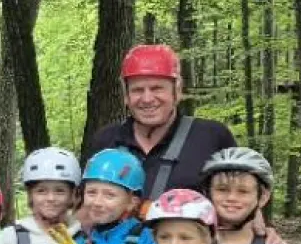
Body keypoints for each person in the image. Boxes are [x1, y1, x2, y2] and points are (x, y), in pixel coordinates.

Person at [86, 44, 239, 201]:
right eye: (137, 90)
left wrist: (254, 217)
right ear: (126, 96)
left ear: (177, 91)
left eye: (157, 88)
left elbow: (239, 195)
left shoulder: (211, 137)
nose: (147, 99)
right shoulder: (106, 141)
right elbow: (82, 203)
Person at [0, 146, 85, 244]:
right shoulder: (10, 238)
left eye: (60, 191)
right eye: (41, 191)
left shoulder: (84, 237)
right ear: (30, 195)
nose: (50, 198)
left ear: (72, 194)